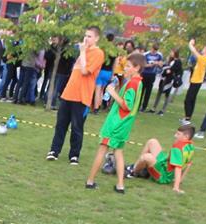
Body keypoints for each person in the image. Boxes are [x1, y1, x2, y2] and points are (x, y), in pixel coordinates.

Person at [86, 52, 145, 193]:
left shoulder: (133, 84)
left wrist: (112, 93)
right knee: (118, 152)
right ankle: (120, 185)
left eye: (128, 66)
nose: (125, 69)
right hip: (124, 124)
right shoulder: (139, 83)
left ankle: (90, 181)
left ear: (136, 68)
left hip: (116, 123)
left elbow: (127, 105)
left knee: (102, 149)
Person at [46, 26, 104, 165]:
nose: (86, 39)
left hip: (82, 96)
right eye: (86, 35)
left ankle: (74, 155)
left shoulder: (98, 53)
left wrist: (83, 52)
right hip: (68, 94)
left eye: (89, 36)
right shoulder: (83, 52)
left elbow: (85, 71)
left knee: (77, 127)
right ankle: (54, 150)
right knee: (61, 124)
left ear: (96, 38)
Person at [126, 125, 195, 194]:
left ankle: (133, 173)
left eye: (178, 134)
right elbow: (188, 164)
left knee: (146, 157)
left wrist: (176, 187)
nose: (175, 135)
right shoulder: (191, 146)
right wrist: (180, 180)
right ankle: (135, 167)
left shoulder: (178, 147)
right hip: (164, 165)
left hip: (163, 175)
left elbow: (178, 167)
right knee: (152, 141)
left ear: (186, 137)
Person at [182, 39, 206, 124]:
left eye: (204, 48)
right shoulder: (202, 59)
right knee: (191, 99)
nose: (202, 49)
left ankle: (187, 119)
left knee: (188, 100)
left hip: (196, 82)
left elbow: (193, 50)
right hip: (195, 81)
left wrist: (191, 43)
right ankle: (187, 117)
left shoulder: (204, 59)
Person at [153, 48, 182, 115]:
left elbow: (171, 71)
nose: (171, 53)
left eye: (172, 52)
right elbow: (166, 69)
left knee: (167, 94)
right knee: (159, 92)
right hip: (164, 78)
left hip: (169, 80)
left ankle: (163, 110)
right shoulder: (170, 60)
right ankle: (154, 108)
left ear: (175, 53)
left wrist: (167, 69)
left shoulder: (178, 62)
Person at [92, 33, 116, 114]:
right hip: (108, 72)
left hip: (101, 71)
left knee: (97, 90)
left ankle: (96, 108)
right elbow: (114, 64)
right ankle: (99, 105)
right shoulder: (114, 51)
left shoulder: (103, 50)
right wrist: (112, 75)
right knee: (102, 89)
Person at [139, 42, 162, 112]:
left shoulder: (159, 55)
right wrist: (151, 64)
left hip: (152, 74)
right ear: (151, 48)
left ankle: (144, 107)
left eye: (156, 50)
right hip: (145, 73)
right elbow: (143, 65)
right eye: (154, 50)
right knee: (141, 90)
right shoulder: (146, 54)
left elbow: (161, 64)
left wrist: (157, 63)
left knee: (148, 91)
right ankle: (138, 105)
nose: (154, 52)